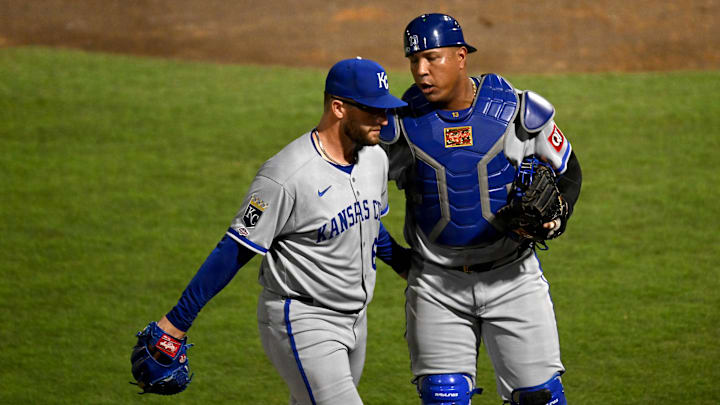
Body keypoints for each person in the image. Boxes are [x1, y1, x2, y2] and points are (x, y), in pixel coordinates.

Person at [130, 57, 411, 404]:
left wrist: (405, 265)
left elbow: (367, 224)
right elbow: (235, 248)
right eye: (372, 110)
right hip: (303, 321)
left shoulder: (375, 159)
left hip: (356, 319)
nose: (384, 119)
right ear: (338, 108)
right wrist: (177, 321)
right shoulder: (284, 176)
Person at [379, 14, 583, 405]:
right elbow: (359, 200)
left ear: (460, 56)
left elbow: (569, 169)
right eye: (413, 60)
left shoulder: (517, 113)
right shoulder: (399, 128)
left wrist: (560, 215)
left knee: (538, 398)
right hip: (436, 286)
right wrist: (394, 258)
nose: (421, 71)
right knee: (443, 399)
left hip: (513, 278)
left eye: (432, 58)